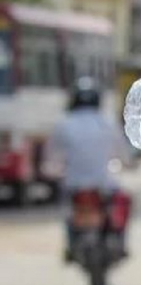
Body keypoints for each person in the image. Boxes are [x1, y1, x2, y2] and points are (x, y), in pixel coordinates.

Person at [43, 76, 133, 257]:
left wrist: (51, 170)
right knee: (124, 201)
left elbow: (51, 157)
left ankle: (70, 244)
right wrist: (130, 163)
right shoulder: (107, 123)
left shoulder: (63, 125)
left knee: (67, 211)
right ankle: (121, 241)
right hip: (103, 185)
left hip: (73, 184)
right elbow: (124, 153)